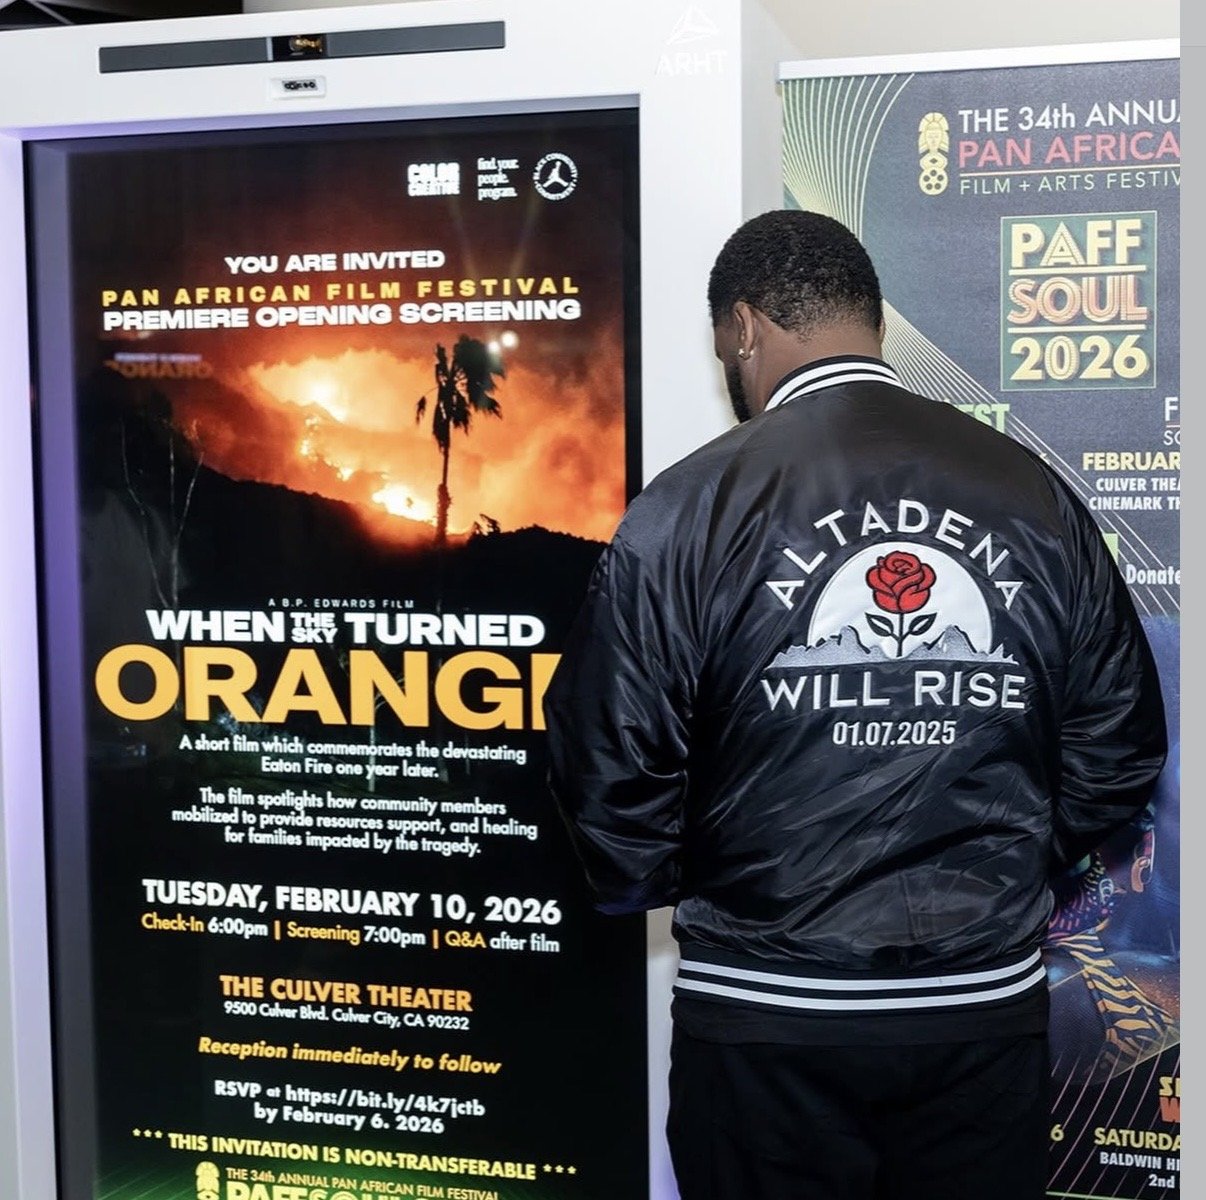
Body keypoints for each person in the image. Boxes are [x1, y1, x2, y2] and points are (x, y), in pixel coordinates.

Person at [542, 209, 1167, 1200]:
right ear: (868, 320)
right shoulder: (1031, 491)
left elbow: (607, 770)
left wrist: (719, 885)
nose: (731, 370)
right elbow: (1121, 746)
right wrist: (1006, 864)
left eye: (726, 350)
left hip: (767, 1016)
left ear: (744, 328)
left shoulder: (689, 506)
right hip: (978, 1015)